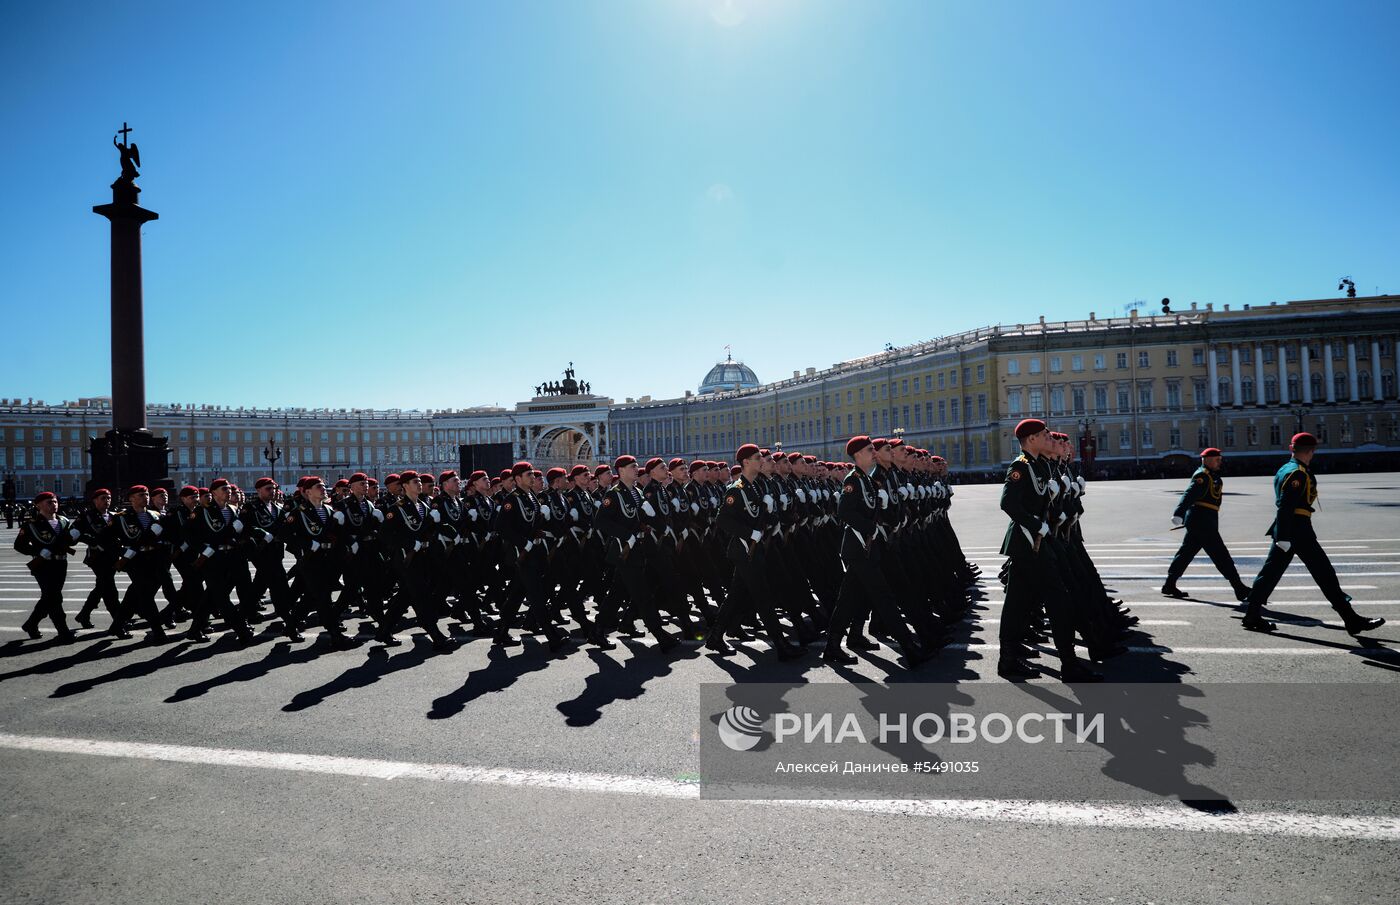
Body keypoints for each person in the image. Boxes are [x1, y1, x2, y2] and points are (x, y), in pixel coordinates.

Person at [1241, 433, 1386, 636]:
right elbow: (1285, 505)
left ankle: (1252, 615)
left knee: (1270, 574)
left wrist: (1282, 534)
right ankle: (1351, 619)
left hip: (1290, 529)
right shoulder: (1298, 473)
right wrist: (1283, 535)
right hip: (1297, 529)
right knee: (1324, 573)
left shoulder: (1286, 468)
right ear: (1311, 451)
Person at [1161, 448, 1252, 601]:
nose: (1220, 462)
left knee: (1185, 554)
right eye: (1217, 459)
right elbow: (1189, 495)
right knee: (1221, 555)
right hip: (1202, 523)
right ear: (1207, 460)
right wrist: (1179, 513)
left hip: (1203, 521)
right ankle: (1239, 588)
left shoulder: (1212, 476)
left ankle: (1169, 584)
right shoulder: (1203, 476)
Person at [12, 491, 77, 642]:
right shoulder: (32, 524)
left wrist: (74, 537)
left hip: (61, 563)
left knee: (49, 597)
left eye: (55, 501)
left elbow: (70, 542)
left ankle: (31, 624)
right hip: (42, 565)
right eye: (49, 502)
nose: (53, 504)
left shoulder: (64, 521)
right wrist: (38, 551)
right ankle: (63, 631)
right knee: (54, 597)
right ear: (38, 505)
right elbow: (19, 545)